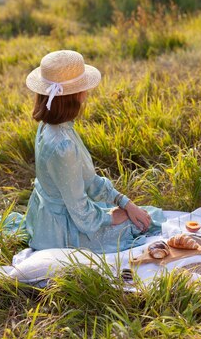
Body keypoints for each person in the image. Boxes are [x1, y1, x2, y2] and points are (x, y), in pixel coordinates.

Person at [24, 50, 164, 253]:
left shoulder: (50, 125)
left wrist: (124, 202)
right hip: (60, 231)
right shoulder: (62, 145)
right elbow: (80, 211)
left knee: (142, 214)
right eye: (84, 88)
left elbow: (87, 180)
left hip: (48, 216)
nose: (87, 93)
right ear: (77, 95)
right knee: (142, 225)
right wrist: (109, 217)